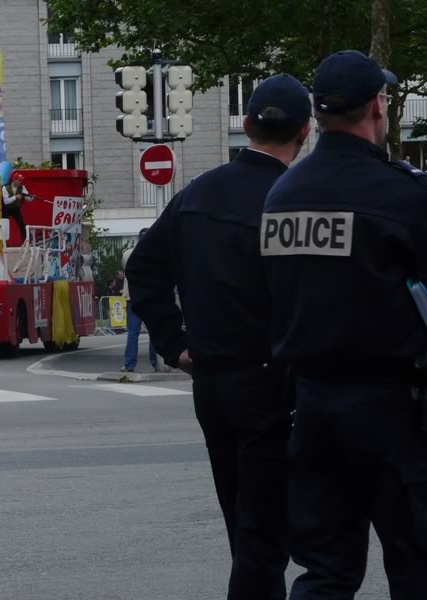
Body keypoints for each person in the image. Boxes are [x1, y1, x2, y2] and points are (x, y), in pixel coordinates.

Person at [127, 74, 313, 600]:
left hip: (211, 381)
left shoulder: (198, 192)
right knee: (266, 539)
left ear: (247, 125)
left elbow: (142, 269)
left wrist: (175, 343)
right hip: (273, 384)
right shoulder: (293, 198)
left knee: (244, 526)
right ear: (304, 131)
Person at [261, 51, 427, 599]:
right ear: (376, 108)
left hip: (312, 408)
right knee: (416, 565)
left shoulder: (282, 196)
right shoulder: (402, 195)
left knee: (325, 572)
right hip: (390, 410)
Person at [121, 229, 158, 373]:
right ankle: (156, 363)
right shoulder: (156, 253)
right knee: (154, 333)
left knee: (132, 333)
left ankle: (129, 364)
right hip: (150, 298)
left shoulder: (127, 254)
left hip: (132, 298)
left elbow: (125, 269)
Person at [1, 172, 33, 242]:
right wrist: (15, 197)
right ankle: (3, 243)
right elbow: (6, 202)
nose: (21, 182)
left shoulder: (22, 187)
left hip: (15, 208)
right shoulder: (5, 188)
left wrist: (31, 198)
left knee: (21, 224)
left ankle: (25, 242)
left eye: (21, 180)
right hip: (5, 209)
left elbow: (27, 197)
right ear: (14, 180)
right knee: (5, 225)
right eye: (19, 180)